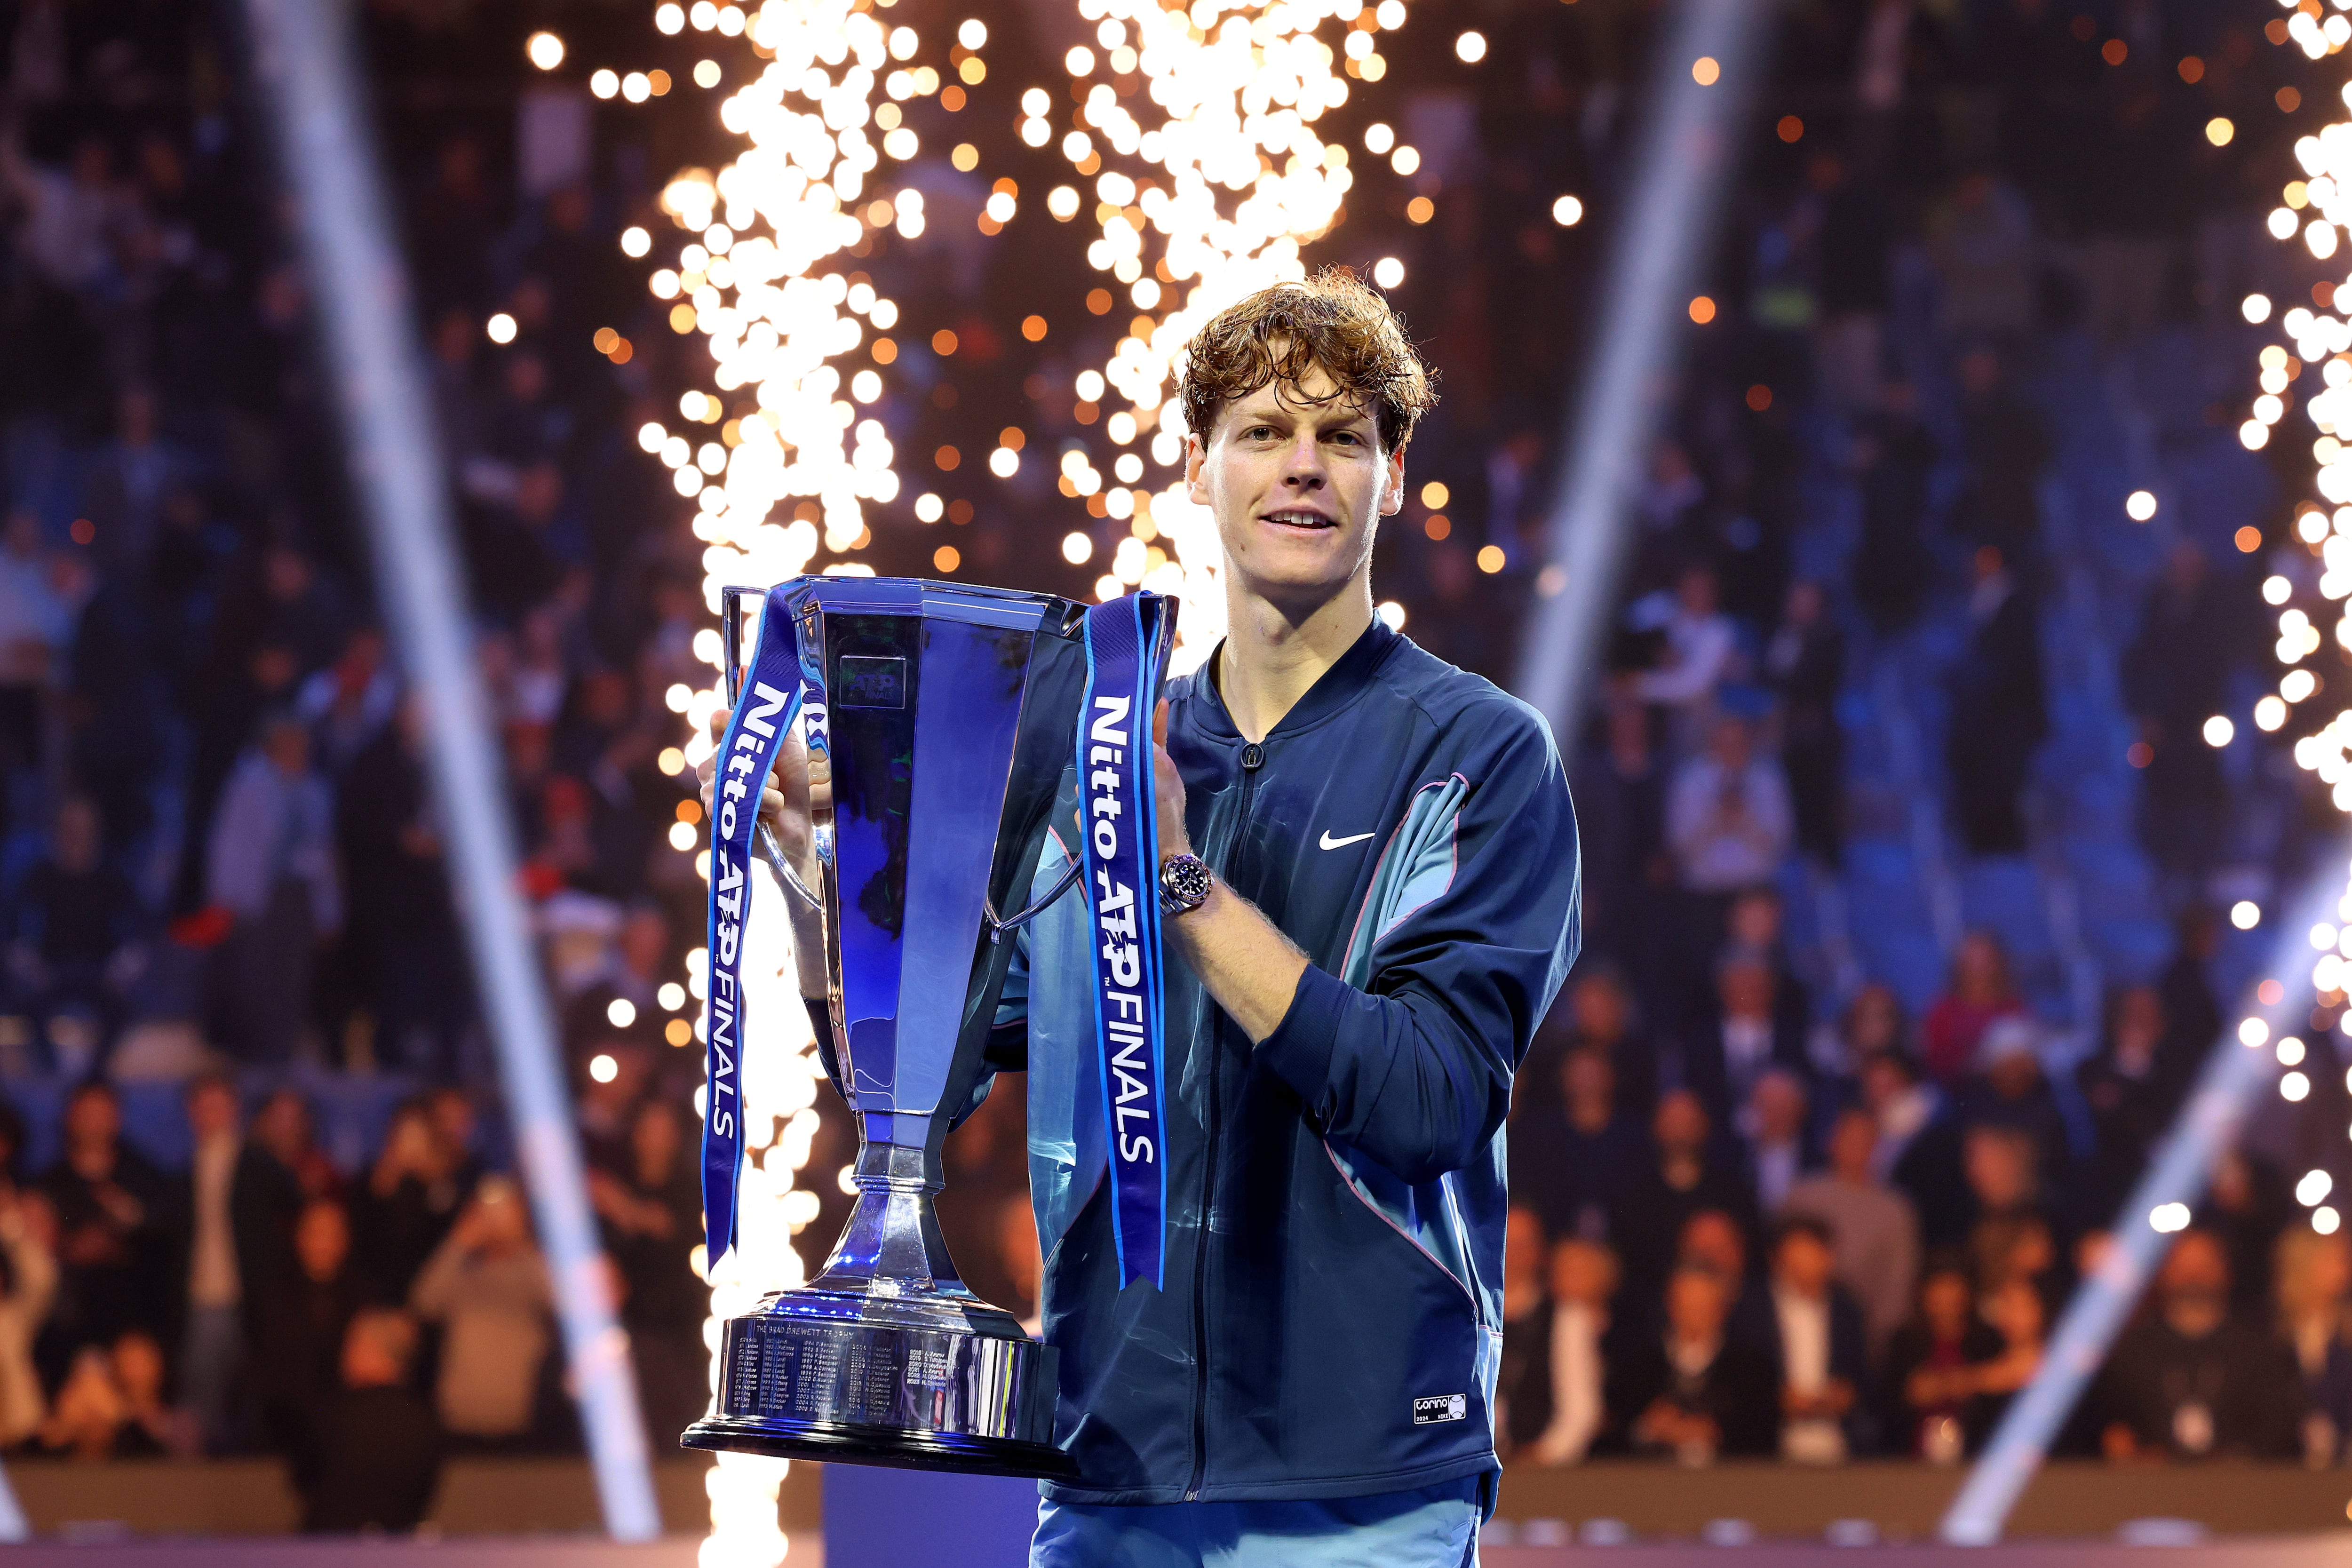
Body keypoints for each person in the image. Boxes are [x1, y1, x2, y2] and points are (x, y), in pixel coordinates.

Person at [715, 273, 1580, 1565]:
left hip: (1358, 1489)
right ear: (1199, 465)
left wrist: (1173, 873)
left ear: (1393, 476)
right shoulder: (1093, 748)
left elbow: (1430, 1099)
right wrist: (826, 884)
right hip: (1106, 1466)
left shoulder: (1480, 755)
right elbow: (938, 1073)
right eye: (1264, 433)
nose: (1303, 469)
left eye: (1343, 437)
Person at [2094, 1229, 2300, 1461]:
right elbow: (2107, 1424)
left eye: (2205, 1266)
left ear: (2225, 1271)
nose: (2194, 1277)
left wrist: (2238, 1460)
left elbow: (2281, 1430)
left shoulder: (2261, 1351)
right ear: (2163, 1272)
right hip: (2149, 1491)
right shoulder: (2128, 1352)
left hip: (2242, 1490)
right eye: (2183, 1267)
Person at [410, 1176, 554, 1445]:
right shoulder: (460, 1272)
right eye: (487, 1211)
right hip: (458, 1420)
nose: (495, 1220)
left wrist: (521, 1241)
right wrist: (458, 1242)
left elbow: (560, 1303)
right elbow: (423, 1303)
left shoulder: (531, 1270)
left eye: (505, 1210)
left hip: (516, 1422)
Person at [1783, 1107, 1919, 1359]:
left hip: (1868, 1338)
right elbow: (1782, 1266)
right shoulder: (1803, 1195)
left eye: (1866, 1140)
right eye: (1848, 1137)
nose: (1856, 1147)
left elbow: (1898, 1288)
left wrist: (1872, 1342)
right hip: (1798, 1326)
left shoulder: (1896, 1210)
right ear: (1832, 1141)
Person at [1616, 1264, 1776, 1463]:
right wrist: (1649, 1428)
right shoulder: (1637, 1366)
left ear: (1722, 1308)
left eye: (1703, 1307)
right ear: (1671, 1307)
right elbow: (1615, 1431)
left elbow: (1764, 1436)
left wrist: (1713, 1433)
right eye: (1687, 1306)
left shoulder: (1751, 1369)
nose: (1694, 1316)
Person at [1742, 1216, 1868, 1464]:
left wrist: (1845, 1394)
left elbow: (1863, 1377)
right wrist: (1778, 1398)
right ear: (1777, 1259)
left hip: (1839, 1442)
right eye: (1796, 1255)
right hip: (1769, 1445)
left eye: (1812, 1254)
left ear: (1829, 1257)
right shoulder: (1752, 1311)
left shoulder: (1848, 1311)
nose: (1804, 1264)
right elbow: (1741, 1378)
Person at [304, 1308, 443, 1532]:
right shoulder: (426, 1419)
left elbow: (306, 1478)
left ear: (369, 1349)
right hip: (400, 1555)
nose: (343, 1353)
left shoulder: (332, 1413)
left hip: (327, 1552)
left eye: (351, 1343)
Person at [1881, 1256, 2000, 1461]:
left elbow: (1998, 1403)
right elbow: (1886, 1405)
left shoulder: (1987, 1342)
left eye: (1952, 1287)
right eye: (1938, 1287)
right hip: (1911, 1458)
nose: (1945, 1298)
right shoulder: (1904, 1342)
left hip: (1975, 1457)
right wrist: (1912, 1396)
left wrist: (1970, 1385)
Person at [2274, 1225, 2352, 1465]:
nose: (2345, 1269)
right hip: (2285, 1473)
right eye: (2332, 1260)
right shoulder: (2272, 1337)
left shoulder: (2347, 1336)